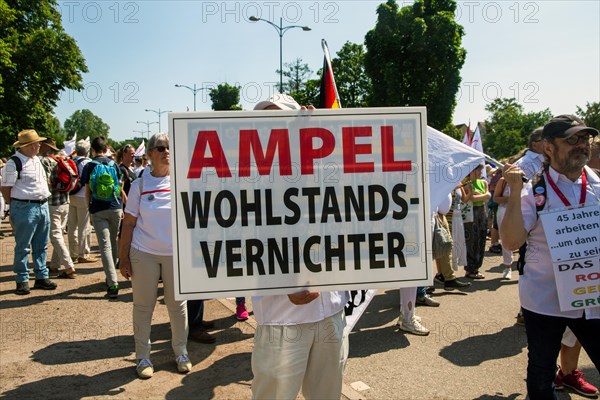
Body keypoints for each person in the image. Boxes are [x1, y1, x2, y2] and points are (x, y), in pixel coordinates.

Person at [251, 94, 349, 400]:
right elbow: (240, 243)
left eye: (280, 118)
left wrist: (324, 137)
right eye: (264, 120)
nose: (273, 126)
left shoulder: (328, 169)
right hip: (281, 319)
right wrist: (282, 281)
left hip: (330, 314)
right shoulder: (249, 178)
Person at [501, 114, 600, 399]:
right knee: (541, 373)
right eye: (572, 140)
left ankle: (569, 375)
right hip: (545, 300)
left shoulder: (596, 187)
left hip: (591, 296)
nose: (581, 145)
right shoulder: (534, 191)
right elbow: (510, 241)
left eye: (585, 139)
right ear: (549, 147)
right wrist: (516, 190)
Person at [119, 132, 191, 379]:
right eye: (160, 148)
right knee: (143, 306)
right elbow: (128, 224)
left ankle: (181, 353)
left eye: (169, 147)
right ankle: (142, 357)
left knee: (177, 306)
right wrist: (124, 258)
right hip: (144, 253)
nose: (166, 152)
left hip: (176, 255)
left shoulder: (183, 180)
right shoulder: (139, 184)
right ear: (149, 154)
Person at [0, 130, 57, 294]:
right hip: (24, 206)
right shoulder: (14, 163)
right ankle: (22, 279)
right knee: (23, 246)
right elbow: (5, 188)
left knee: (41, 245)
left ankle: (40, 277)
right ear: (30, 146)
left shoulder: (36, 160)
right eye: (37, 143)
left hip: (41, 205)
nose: (39, 145)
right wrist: (13, 208)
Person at [80, 136, 124, 299]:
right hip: (115, 208)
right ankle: (110, 276)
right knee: (112, 243)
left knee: (104, 245)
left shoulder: (89, 165)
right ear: (106, 149)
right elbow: (119, 187)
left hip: (98, 209)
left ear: (92, 150)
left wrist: (89, 209)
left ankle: (112, 282)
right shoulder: (114, 165)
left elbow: (87, 191)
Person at [40, 138, 76, 278]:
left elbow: (46, 183)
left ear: (45, 147)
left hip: (52, 202)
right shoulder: (63, 159)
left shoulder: (45, 161)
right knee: (59, 234)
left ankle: (68, 266)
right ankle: (54, 265)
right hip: (65, 201)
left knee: (55, 235)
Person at [68, 140, 96, 263]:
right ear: (87, 151)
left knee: (72, 226)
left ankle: (73, 253)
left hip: (70, 195)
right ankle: (83, 253)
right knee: (84, 226)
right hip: (83, 196)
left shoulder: (70, 161)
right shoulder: (88, 163)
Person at [462, 164, 491, 279]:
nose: (480, 173)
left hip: (482, 213)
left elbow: (488, 196)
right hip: (471, 213)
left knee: (481, 239)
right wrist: (483, 196)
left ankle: (476, 267)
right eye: (478, 170)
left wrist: (480, 196)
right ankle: (470, 268)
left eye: (480, 170)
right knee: (471, 241)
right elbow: (472, 199)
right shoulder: (466, 184)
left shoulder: (483, 183)